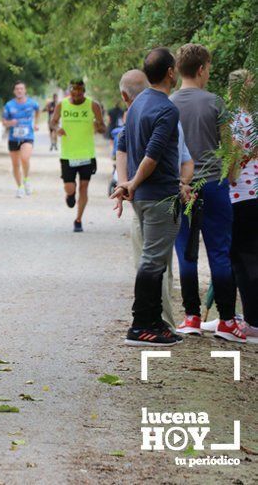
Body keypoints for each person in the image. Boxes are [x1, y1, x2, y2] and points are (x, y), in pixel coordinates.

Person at [168, 44, 244, 342]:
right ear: (201, 69)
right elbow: (230, 147)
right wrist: (233, 175)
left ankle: (191, 317)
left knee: (186, 253)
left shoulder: (169, 103)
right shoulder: (215, 103)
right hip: (213, 185)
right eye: (209, 68)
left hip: (180, 187)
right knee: (219, 252)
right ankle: (226, 320)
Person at [111, 48, 184, 346]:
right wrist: (133, 183)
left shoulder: (138, 103)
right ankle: (140, 325)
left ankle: (155, 322)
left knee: (152, 261)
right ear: (169, 72)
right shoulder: (167, 109)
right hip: (158, 197)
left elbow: (123, 142)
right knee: (153, 262)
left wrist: (126, 182)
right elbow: (152, 155)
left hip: (142, 197)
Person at [224, 68, 258, 342]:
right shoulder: (255, 118)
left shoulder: (238, 118)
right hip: (255, 194)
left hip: (241, 195)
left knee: (241, 257)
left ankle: (250, 321)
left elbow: (234, 154)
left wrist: (229, 175)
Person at [50, 79, 107, 232]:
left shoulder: (92, 105)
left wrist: (99, 126)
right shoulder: (62, 104)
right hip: (68, 155)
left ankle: (78, 220)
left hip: (87, 153)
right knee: (70, 188)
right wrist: (57, 129)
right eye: (73, 94)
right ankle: (70, 195)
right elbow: (52, 122)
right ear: (70, 91)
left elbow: (103, 127)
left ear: (83, 91)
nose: (76, 97)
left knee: (84, 187)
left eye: (79, 93)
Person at [1, 81, 40, 197]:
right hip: (13, 138)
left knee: (25, 158)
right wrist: (9, 122)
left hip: (28, 136)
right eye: (17, 89)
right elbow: (3, 122)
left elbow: (38, 110)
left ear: (25, 90)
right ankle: (20, 187)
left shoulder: (32, 103)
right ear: (14, 91)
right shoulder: (9, 105)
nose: (19, 91)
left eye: (21, 89)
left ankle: (26, 179)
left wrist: (36, 123)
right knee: (15, 164)